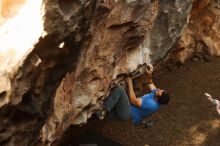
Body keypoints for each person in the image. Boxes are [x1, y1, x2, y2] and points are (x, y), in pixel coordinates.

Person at [96, 64, 170, 125]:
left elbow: (133, 100)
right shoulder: (156, 95)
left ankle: (102, 112)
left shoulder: (151, 104)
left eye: (159, 91)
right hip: (129, 110)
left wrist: (130, 83)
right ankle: (103, 115)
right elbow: (150, 83)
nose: (159, 89)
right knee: (109, 113)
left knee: (120, 90)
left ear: (158, 98)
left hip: (128, 113)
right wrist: (149, 73)